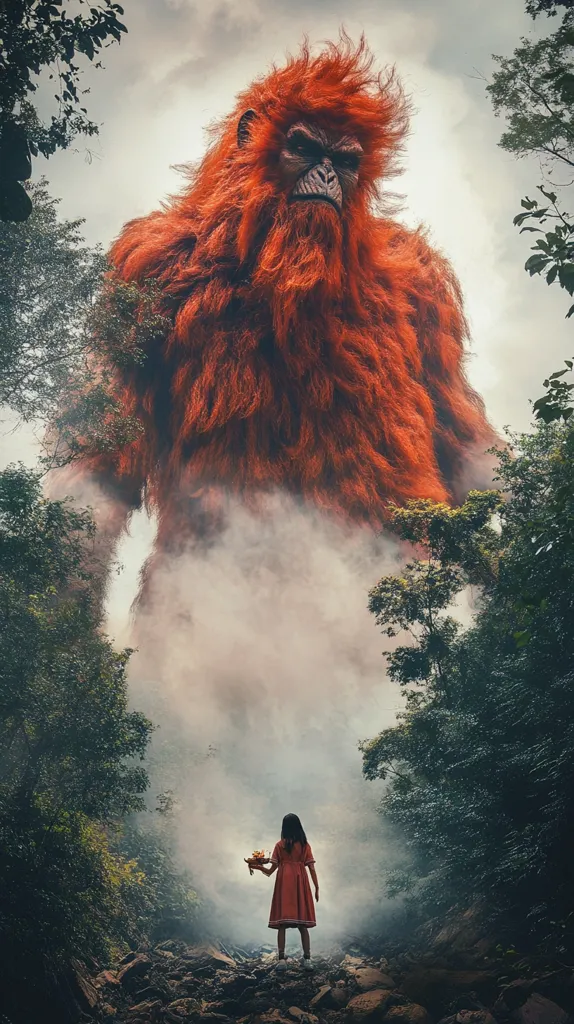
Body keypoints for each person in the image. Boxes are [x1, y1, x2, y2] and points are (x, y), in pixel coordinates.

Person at [251, 813, 319, 973]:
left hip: (283, 883)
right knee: (302, 923)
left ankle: (281, 959)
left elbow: (270, 871)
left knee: (282, 923)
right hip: (300, 882)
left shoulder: (279, 845)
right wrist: (317, 887)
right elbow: (312, 868)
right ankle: (307, 959)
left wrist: (257, 866)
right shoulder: (304, 845)